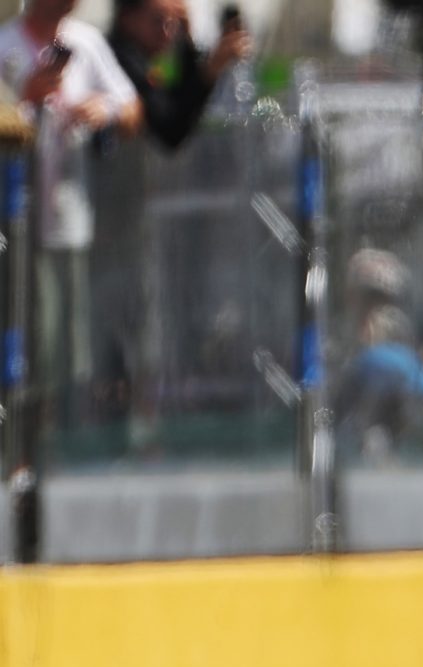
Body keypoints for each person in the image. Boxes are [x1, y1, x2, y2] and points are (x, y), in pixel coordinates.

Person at [1, 0, 141, 421]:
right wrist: (26, 98)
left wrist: (104, 112)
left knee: (63, 345)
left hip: (69, 217)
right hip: (14, 223)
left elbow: (132, 110)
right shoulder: (5, 44)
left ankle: (47, 440)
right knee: (27, 336)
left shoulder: (85, 42)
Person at [106, 0, 247, 152]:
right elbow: (170, 127)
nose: (166, 33)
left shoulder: (138, 60)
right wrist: (209, 70)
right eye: (157, 21)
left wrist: (186, 44)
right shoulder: (118, 61)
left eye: (172, 23)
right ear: (128, 18)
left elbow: (174, 103)